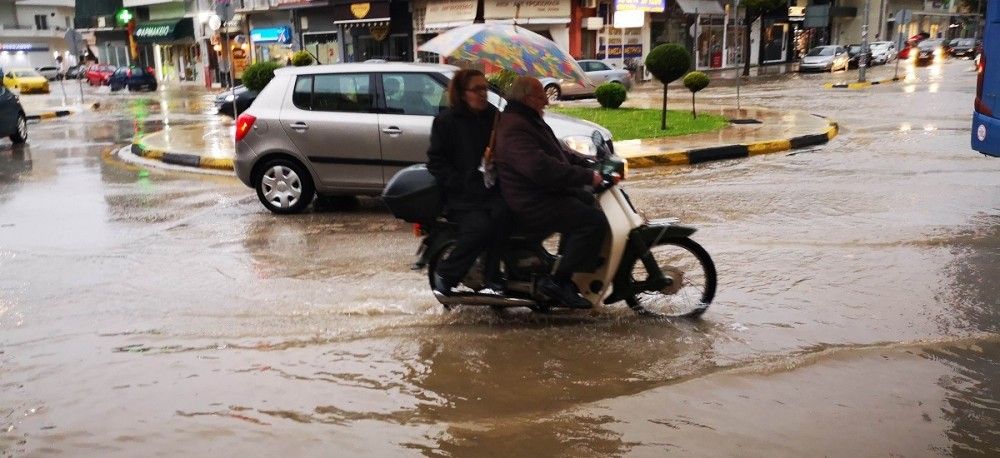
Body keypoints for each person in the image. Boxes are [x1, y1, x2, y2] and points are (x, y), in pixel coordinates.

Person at [493, 76, 608, 309]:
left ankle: (567, 267)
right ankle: (558, 282)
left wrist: (589, 163)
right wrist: (585, 177)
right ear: (527, 99)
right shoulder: (515, 126)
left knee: (587, 200)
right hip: (531, 200)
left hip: (542, 193)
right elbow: (540, 167)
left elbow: (558, 153)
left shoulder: (529, 120)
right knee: (593, 222)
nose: (546, 101)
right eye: (541, 96)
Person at [426, 69, 507, 296]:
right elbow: (436, 162)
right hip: (462, 196)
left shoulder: (494, 116)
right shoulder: (446, 122)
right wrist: (461, 181)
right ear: (462, 94)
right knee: (481, 227)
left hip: (490, 189)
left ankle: (493, 276)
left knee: (507, 215)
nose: (483, 94)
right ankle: (447, 274)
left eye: (485, 88)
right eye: (476, 89)